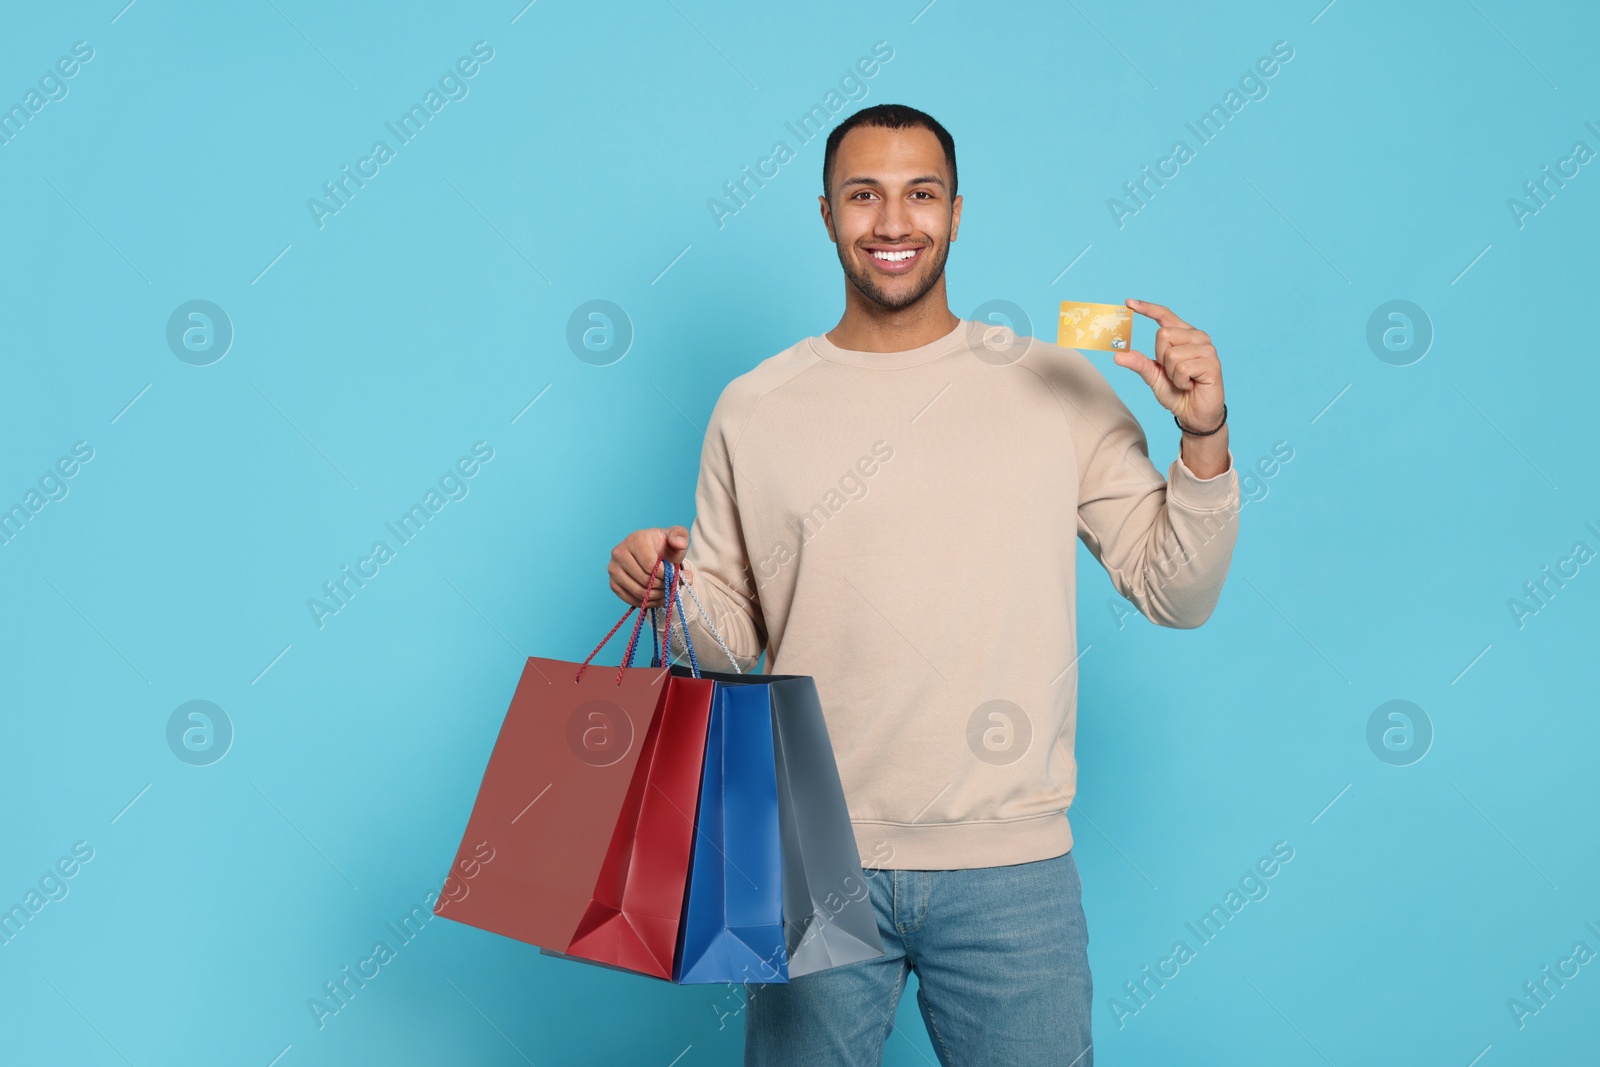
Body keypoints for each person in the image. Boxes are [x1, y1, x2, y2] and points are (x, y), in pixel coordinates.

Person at [607, 103, 1239, 1067]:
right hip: (806, 854)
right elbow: (731, 644)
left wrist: (1204, 438)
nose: (893, 222)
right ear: (825, 214)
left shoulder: (1053, 382)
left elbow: (1176, 592)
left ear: (957, 212)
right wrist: (668, 583)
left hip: (1011, 864)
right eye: (865, 195)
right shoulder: (755, 404)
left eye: (920, 194)